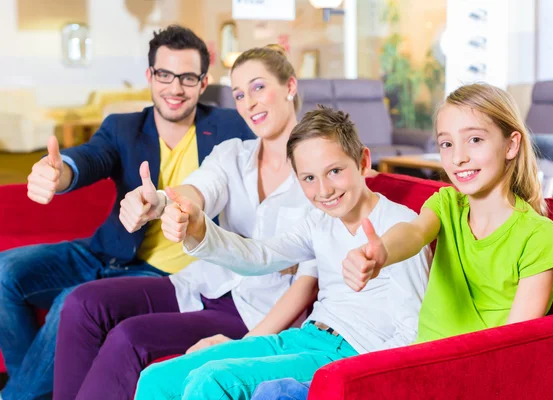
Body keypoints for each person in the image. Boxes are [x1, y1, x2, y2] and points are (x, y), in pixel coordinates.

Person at [249, 83, 553, 400]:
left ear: (511, 145)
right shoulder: (447, 204)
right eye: (446, 144)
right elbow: (415, 233)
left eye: (474, 139)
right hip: (413, 366)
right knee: (271, 390)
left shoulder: (537, 236)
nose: (458, 157)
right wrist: (381, 252)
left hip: (463, 380)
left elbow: (515, 346)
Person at [0, 25, 254, 400]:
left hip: (169, 271)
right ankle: (29, 391)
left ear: (203, 83)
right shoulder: (123, 127)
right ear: (150, 77)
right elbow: (90, 159)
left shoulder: (231, 127)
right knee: (6, 272)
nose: (175, 88)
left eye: (187, 77)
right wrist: (60, 172)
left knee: (71, 299)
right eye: (165, 75)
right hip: (107, 250)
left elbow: (280, 152)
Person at [53, 45, 320, 400]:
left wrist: (246, 346)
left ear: (290, 86)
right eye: (239, 94)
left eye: (258, 87)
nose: (249, 103)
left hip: (256, 312)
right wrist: (161, 201)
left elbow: (307, 284)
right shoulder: (233, 155)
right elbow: (198, 190)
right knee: (84, 303)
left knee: (130, 339)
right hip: (202, 284)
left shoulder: (318, 171)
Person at [133, 106, 432, 400]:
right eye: (309, 178)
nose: (324, 190)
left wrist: (350, 375)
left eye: (335, 171)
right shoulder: (319, 222)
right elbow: (258, 255)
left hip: (351, 352)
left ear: (363, 161)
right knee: (157, 378)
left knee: (213, 381)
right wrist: (199, 228)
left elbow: (412, 334)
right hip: (303, 338)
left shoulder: (401, 228)